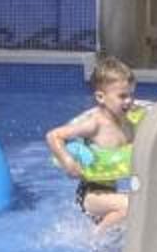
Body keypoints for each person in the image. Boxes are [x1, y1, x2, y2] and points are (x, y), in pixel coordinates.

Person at [46, 55, 139, 231]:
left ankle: (102, 234)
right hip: (90, 194)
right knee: (130, 206)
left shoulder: (128, 125)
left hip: (110, 191)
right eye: (122, 96)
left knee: (138, 204)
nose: (129, 101)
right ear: (101, 97)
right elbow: (53, 135)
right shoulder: (95, 124)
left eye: (131, 95)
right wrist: (68, 162)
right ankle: (94, 241)